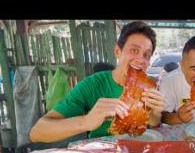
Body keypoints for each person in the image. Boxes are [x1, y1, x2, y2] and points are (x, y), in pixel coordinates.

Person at [30, 21, 165, 143]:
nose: (141, 59)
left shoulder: (149, 87)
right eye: (134, 50)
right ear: (118, 51)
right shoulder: (93, 85)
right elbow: (37, 133)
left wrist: (156, 113)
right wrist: (86, 121)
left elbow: (153, 122)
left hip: (138, 151)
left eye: (146, 55)